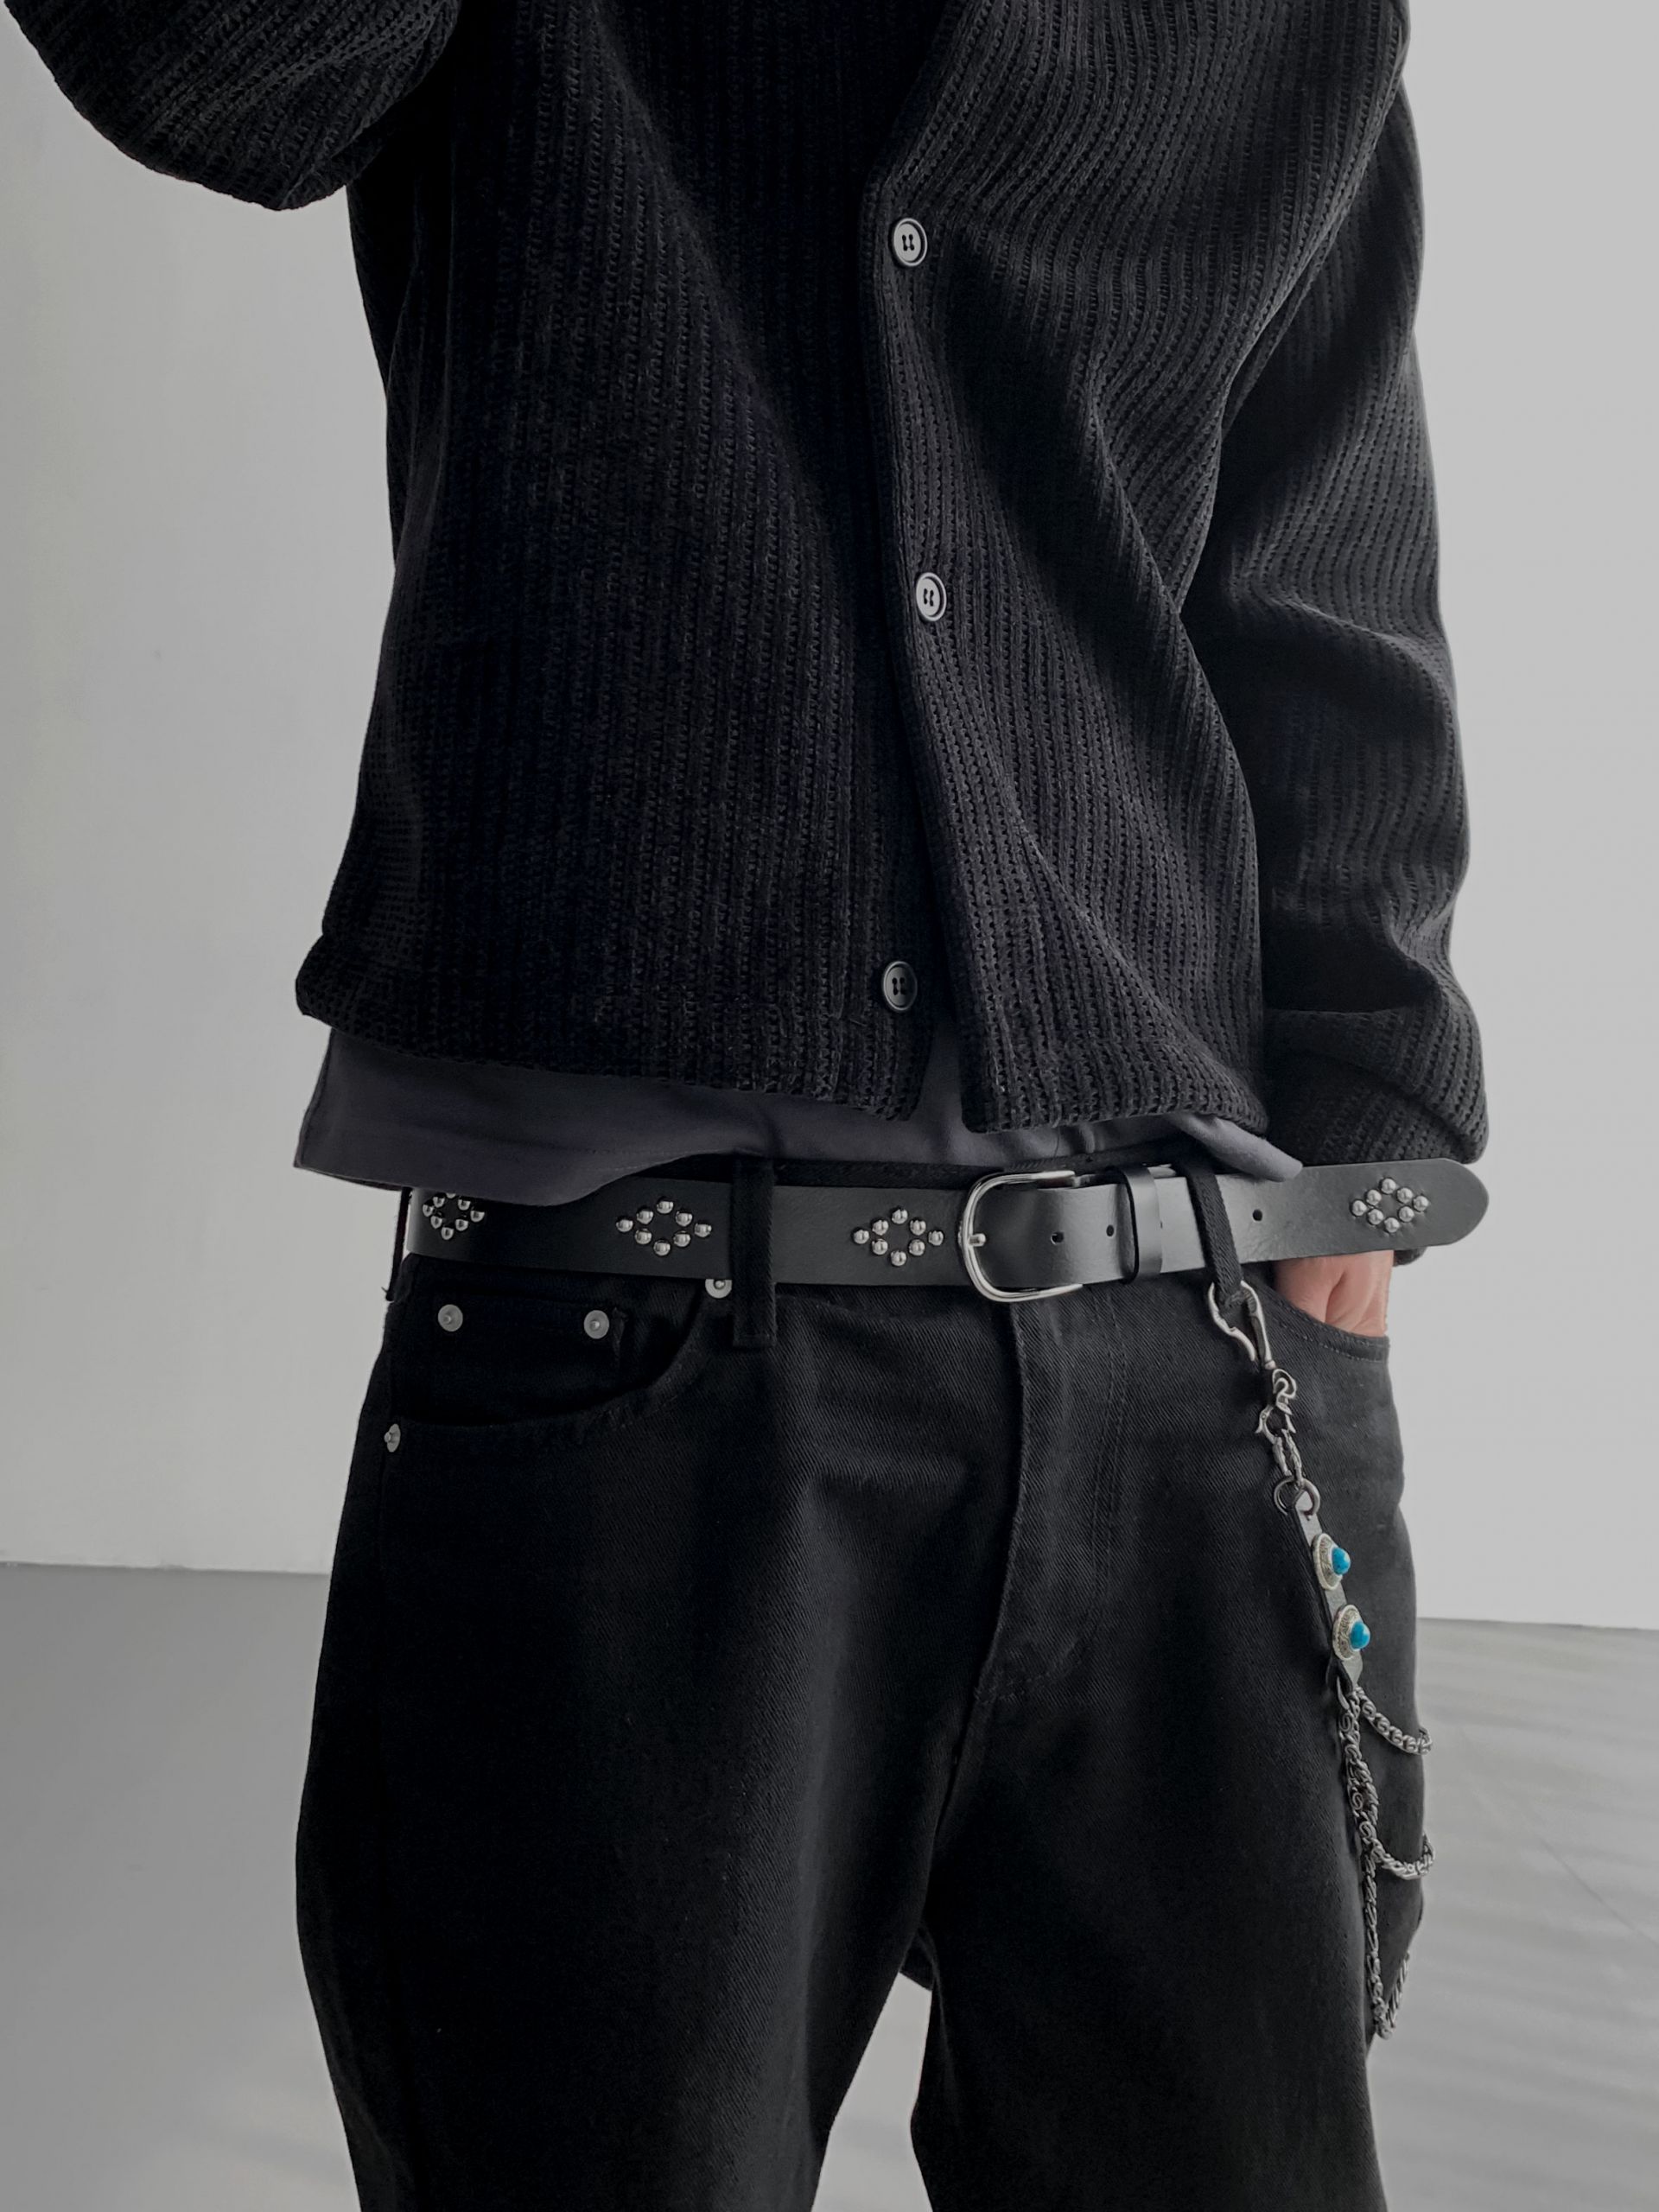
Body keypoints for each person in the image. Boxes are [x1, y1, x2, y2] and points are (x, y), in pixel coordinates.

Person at [8, 2, 1487, 2205]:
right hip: (637, 1361)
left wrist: (1373, 1139)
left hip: (1198, 1352)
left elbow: (1326, 575)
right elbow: (211, 64)